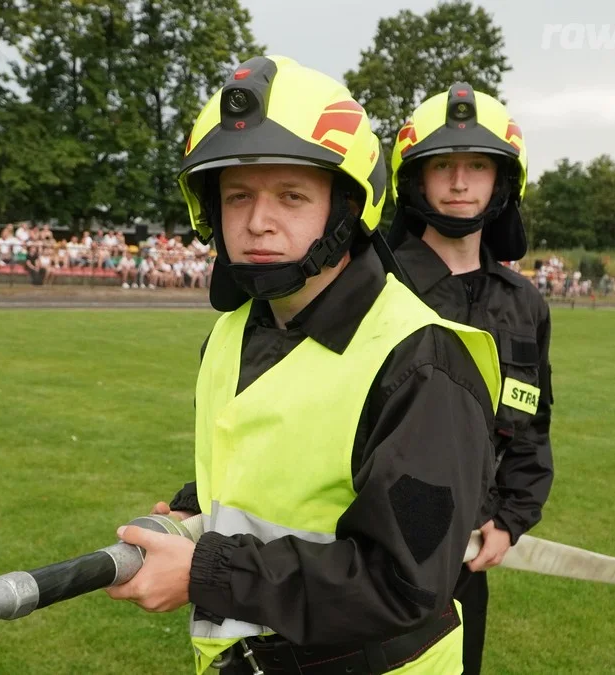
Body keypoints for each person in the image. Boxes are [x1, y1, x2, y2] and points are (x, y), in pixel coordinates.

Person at [103, 56, 502, 675]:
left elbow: (403, 583)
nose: (258, 222)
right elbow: (281, 469)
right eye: (237, 197)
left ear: (347, 207)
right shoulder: (232, 333)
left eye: (291, 196)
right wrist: (196, 512)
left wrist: (207, 571)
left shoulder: (422, 361)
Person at [387, 83, 554, 675]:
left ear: (503, 182)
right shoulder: (372, 287)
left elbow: (531, 427)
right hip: (364, 552)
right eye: (443, 166)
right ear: (416, 179)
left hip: (465, 564)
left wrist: (510, 519)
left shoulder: (524, 305)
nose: (459, 182)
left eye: (477, 166)